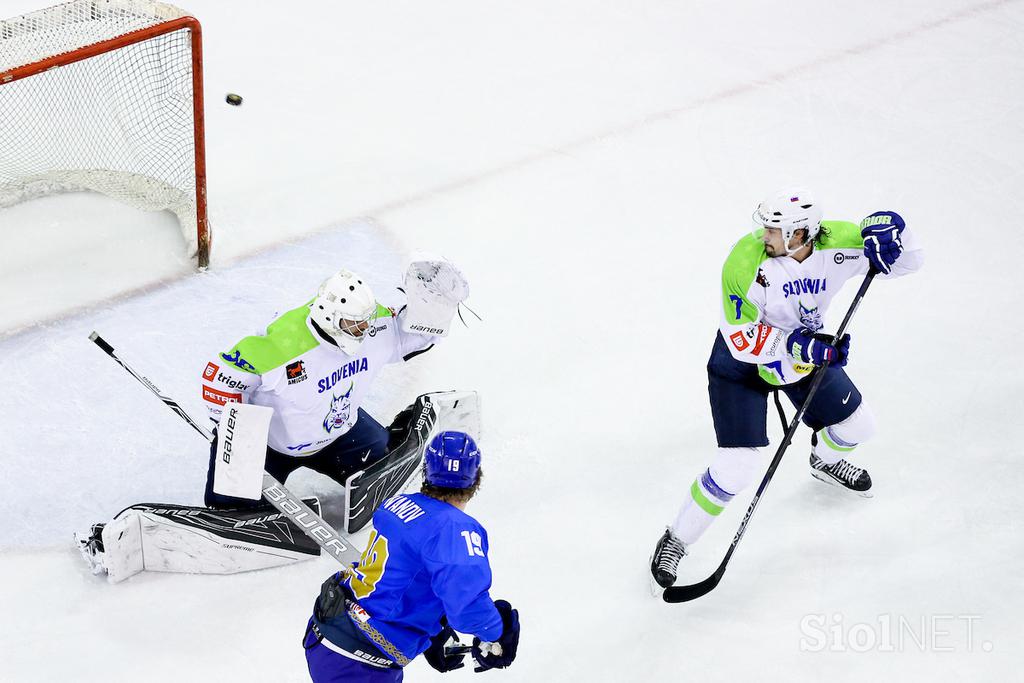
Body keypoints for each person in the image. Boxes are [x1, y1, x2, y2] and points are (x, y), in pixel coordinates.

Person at [650, 187, 924, 589]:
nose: (764, 235)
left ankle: (825, 461)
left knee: (860, 427)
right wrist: (802, 345)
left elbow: (908, 263)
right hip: (740, 365)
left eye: (773, 230)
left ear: (799, 234)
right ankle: (676, 539)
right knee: (737, 467)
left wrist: (897, 233)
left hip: (802, 360)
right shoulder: (744, 261)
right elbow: (742, 338)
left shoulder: (842, 242)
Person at [200, 261, 468, 509]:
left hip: (340, 433)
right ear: (329, 316)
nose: (363, 330)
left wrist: (435, 310)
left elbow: (409, 336)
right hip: (274, 445)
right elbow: (220, 379)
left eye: (365, 321)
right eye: (353, 325)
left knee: (384, 468)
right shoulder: (282, 343)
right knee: (230, 504)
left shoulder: (372, 324)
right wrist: (240, 435)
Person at [302, 431, 520, 681]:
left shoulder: (398, 505)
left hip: (329, 634)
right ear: (476, 479)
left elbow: (403, 574)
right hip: (359, 664)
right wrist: (498, 634)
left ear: (426, 471)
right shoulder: (456, 529)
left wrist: (433, 632)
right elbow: (467, 607)